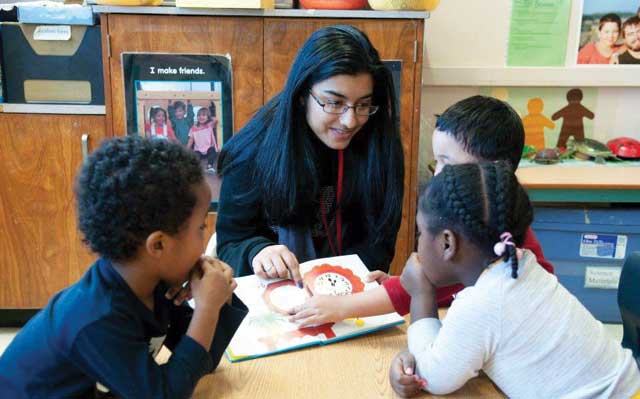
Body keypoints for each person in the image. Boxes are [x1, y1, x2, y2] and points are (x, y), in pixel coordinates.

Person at [0, 137, 247, 399]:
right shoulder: (96, 317)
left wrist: (219, 297)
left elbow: (201, 362)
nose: (204, 238)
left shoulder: (152, 284)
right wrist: (206, 310)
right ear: (159, 245)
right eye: (200, 228)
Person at [289, 95, 554, 327]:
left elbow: (417, 287)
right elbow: (440, 282)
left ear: (491, 172)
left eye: (448, 164)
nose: (438, 174)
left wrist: (341, 307)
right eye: (436, 161)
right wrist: (406, 282)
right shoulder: (496, 216)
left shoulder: (477, 231)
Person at [390, 161, 640, 397]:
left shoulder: (483, 303)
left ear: (447, 243)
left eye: (420, 233)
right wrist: (423, 352)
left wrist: (421, 293)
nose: (418, 242)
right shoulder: (521, 265)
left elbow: (433, 378)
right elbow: (462, 346)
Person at [216, 25, 404, 283]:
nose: (350, 121)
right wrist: (256, 251)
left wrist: (356, 289)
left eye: (363, 104)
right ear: (303, 94)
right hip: (272, 298)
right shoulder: (252, 151)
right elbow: (230, 243)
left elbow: (380, 238)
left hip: (349, 298)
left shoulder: (377, 143)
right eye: (334, 103)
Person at [188, 107, 219, 173]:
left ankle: (209, 166)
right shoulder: (193, 128)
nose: (201, 117)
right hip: (198, 149)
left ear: (208, 117)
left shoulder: (209, 125)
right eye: (199, 115)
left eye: (203, 115)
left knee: (213, 150)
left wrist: (209, 118)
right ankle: (194, 168)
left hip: (208, 148)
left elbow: (216, 120)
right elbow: (191, 140)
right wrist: (187, 149)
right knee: (195, 156)